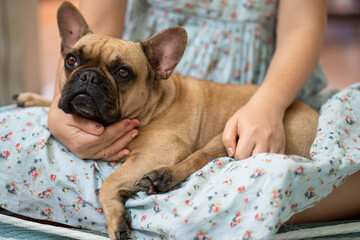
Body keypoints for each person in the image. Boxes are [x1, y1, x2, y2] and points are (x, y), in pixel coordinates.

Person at [46, 0, 360, 225]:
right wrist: (55, 109)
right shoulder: (94, 61)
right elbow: (96, 25)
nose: (89, 77)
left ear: (162, 65)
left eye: (120, 73)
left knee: (261, 182)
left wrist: (270, 105)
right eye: (75, 62)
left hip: (271, 101)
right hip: (143, 88)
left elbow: (302, 26)